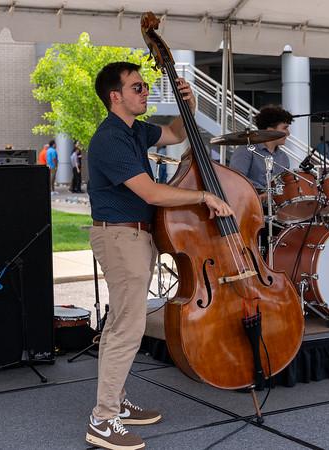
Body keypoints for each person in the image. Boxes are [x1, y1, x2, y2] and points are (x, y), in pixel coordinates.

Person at [86, 61, 232, 450]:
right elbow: (151, 193)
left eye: (145, 86)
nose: (145, 92)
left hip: (135, 237)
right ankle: (102, 421)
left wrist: (192, 104)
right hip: (120, 237)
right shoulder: (110, 139)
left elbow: (173, 132)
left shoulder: (136, 131)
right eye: (137, 88)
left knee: (121, 323)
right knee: (127, 328)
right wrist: (203, 195)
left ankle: (114, 403)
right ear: (115, 96)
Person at [229, 105, 293, 195]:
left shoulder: (283, 157)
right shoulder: (246, 151)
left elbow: (282, 187)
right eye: (285, 128)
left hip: (274, 207)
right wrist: (262, 194)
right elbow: (235, 180)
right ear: (271, 131)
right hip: (250, 204)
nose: (288, 133)